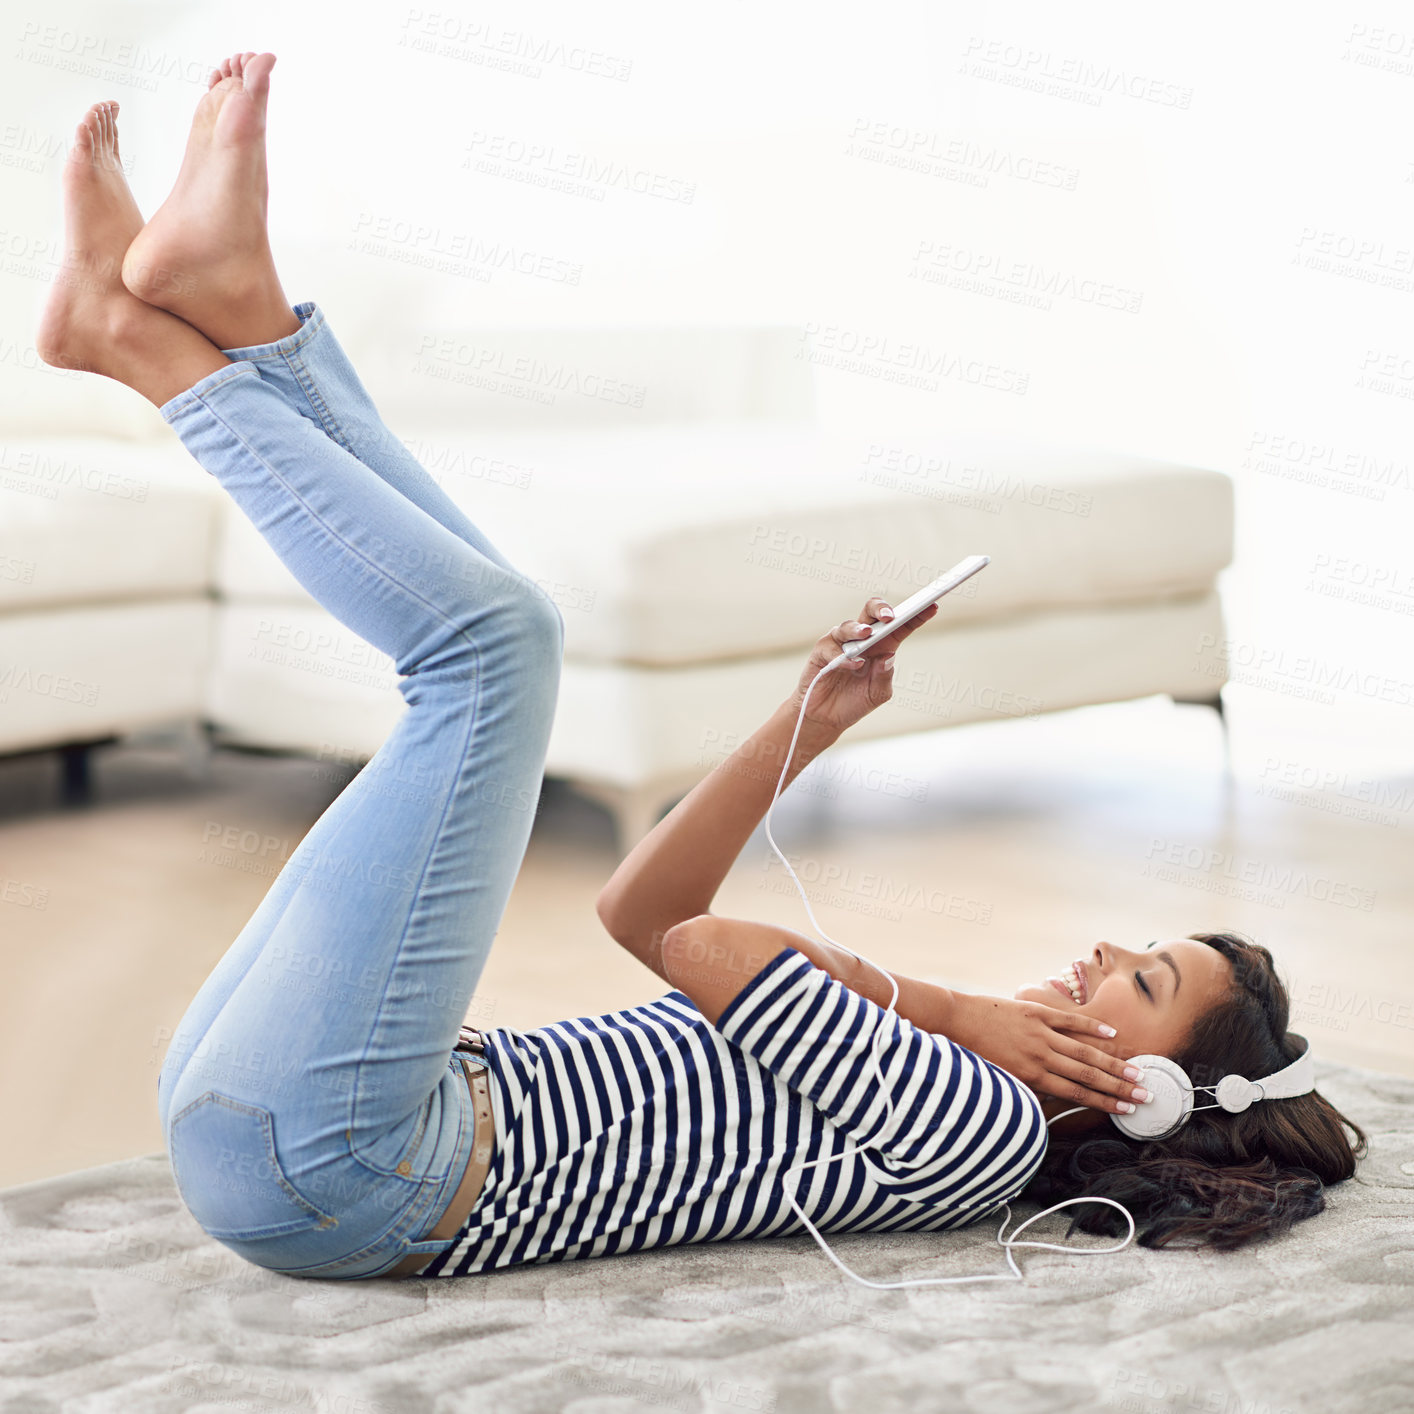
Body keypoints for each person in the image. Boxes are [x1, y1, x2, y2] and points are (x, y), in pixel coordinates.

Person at [39, 53, 1364, 1281]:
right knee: (514, 631)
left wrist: (954, 1005)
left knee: (494, 652)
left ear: (1139, 1095)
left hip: (351, 1169)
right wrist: (806, 721)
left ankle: (151, 351)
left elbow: (712, 943)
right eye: (1136, 944)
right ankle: (244, 325)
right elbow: (642, 914)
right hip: (303, 1124)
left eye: (1138, 979)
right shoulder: (940, 1060)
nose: (1100, 948)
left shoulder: (986, 1131)